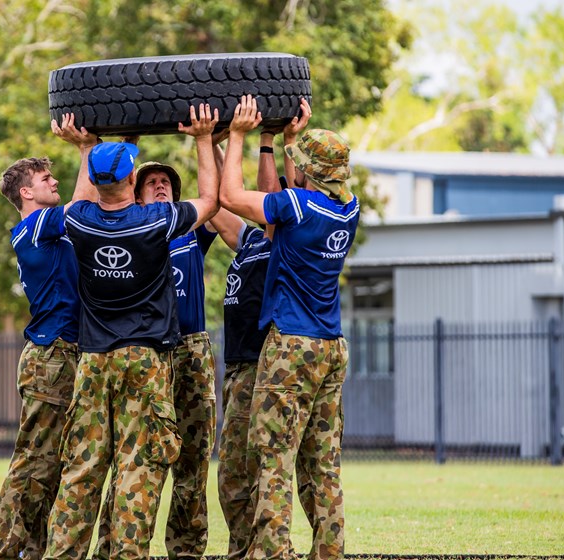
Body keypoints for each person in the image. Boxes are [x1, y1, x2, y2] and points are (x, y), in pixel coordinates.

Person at [42, 103, 219, 560]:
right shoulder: (155, 222)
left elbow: (82, 195)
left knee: (82, 468)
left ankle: (62, 554)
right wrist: (203, 138)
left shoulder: (77, 220)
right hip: (144, 360)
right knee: (136, 467)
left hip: (94, 359)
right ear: (132, 180)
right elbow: (211, 202)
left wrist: (85, 147)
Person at [219, 95, 359, 560]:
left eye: (296, 165)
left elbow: (232, 199)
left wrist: (237, 136)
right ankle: (329, 552)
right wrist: (284, 142)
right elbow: (277, 202)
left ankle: (272, 554)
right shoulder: (347, 209)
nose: (290, 169)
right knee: (323, 464)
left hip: (292, 348)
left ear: (306, 176)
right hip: (332, 348)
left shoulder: (299, 208)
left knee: (272, 457)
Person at [93, 149, 221, 560]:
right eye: (151, 181)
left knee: (194, 462)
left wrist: (211, 141)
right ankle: (117, 547)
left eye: (167, 181)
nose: (161, 184)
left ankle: (186, 550)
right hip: (147, 354)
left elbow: (212, 196)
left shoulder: (187, 232)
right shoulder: (126, 232)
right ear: (134, 191)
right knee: (134, 460)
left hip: (191, 350)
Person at [0, 115, 97, 559]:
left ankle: (35, 549)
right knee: (34, 463)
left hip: (67, 352)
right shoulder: (34, 227)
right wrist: (86, 149)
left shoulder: (51, 232)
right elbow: (83, 202)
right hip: (50, 356)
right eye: (46, 179)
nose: (55, 183)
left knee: (55, 465)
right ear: (25, 193)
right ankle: (1, 552)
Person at [215, 99, 310, 560]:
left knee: (261, 470)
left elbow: (274, 198)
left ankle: (270, 548)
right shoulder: (249, 239)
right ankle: (243, 549)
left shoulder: (279, 238)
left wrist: (269, 140)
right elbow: (216, 203)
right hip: (235, 370)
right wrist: (210, 146)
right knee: (232, 475)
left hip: (262, 366)